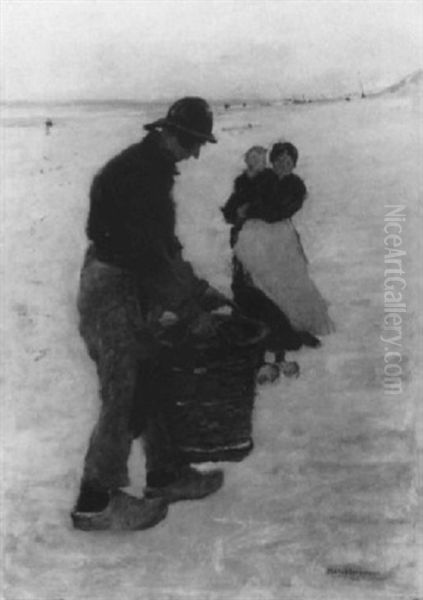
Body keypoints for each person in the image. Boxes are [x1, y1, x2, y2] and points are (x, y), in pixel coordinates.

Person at [72, 97, 228, 532]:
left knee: (153, 372)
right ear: (170, 134)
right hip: (111, 288)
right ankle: (94, 501)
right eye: (193, 143)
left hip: (131, 281)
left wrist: (196, 290)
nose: (196, 153)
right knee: (123, 391)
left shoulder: (151, 170)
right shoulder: (138, 175)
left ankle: (166, 475)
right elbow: (148, 256)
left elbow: (162, 248)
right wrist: (188, 308)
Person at [234, 141, 334, 362]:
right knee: (260, 282)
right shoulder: (264, 178)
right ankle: (267, 329)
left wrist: (252, 209)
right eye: (279, 160)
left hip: (281, 239)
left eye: (288, 162)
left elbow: (279, 211)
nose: (283, 165)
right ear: (273, 161)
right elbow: (243, 200)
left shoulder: (296, 186)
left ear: (294, 164)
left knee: (288, 282)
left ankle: (293, 329)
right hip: (256, 238)